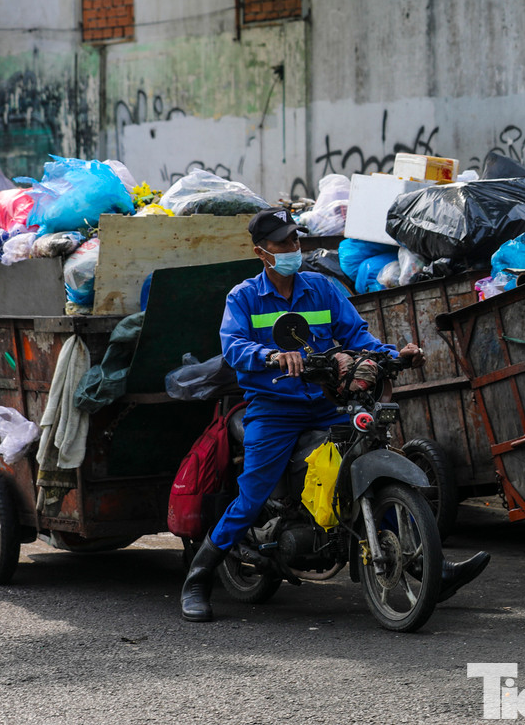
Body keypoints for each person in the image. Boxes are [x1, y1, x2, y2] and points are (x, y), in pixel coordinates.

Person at [181, 207, 489, 622]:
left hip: (328, 404)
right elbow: (234, 346)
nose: (294, 248)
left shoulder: (321, 289)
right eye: (284, 243)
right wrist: (272, 354)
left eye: (296, 240)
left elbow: (356, 335)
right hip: (275, 410)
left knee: (366, 452)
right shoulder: (244, 297)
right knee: (253, 494)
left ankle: (426, 566)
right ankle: (199, 577)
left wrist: (394, 355)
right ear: (262, 252)